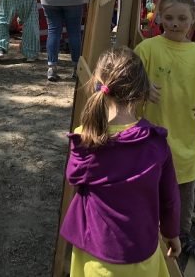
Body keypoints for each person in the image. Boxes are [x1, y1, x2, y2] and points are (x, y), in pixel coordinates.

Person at [60, 47, 181, 276]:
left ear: (99, 86)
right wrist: (171, 233)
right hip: (142, 251)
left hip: (96, 254)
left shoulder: (85, 137)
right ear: (143, 92)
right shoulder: (156, 143)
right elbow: (170, 198)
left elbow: (73, 179)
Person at [134, 0, 195, 259]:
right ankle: (149, 233)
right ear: (158, 17)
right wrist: (143, 87)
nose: (175, 24)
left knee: (184, 190)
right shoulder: (147, 49)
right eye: (169, 18)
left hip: (187, 136)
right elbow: (129, 80)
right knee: (151, 188)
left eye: (182, 18)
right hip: (153, 137)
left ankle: (182, 235)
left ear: (193, 18)